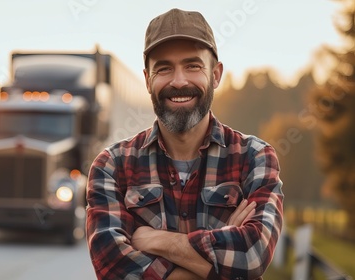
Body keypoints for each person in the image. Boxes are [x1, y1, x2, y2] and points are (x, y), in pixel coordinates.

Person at [85, 8, 284, 280]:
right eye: (164, 68)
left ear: (215, 75)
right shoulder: (111, 165)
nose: (179, 81)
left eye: (193, 66)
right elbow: (113, 269)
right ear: (148, 80)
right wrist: (219, 263)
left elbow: (252, 255)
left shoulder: (254, 157)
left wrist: (155, 240)